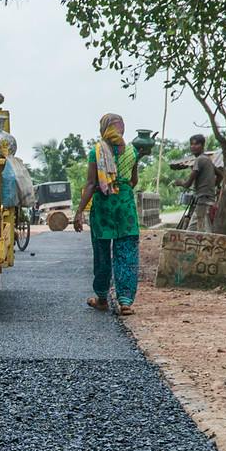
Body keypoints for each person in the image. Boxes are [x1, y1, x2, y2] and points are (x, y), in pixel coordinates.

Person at [73, 113, 140, 315]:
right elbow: (134, 181)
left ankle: (102, 298)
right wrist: (121, 187)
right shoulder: (133, 151)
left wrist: (79, 211)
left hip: (103, 207)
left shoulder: (96, 152)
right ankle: (125, 301)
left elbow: (91, 184)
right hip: (125, 207)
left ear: (103, 129)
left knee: (102, 253)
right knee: (126, 253)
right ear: (122, 129)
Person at [178, 134, 219, 226]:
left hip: (203, 200)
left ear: (202, 145)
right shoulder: (207, 159)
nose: (193, 147)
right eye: (191, 144)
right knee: (194, 228)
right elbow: (220, 175)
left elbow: (188, 184)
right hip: (207, 199)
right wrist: (211, 186)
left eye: (196, 144)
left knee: (202, 229)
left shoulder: (199, 160)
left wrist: (179, 183)